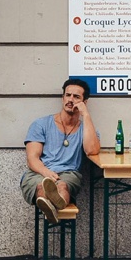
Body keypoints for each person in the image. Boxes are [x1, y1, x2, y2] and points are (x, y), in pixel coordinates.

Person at [20, 78, 101, 223]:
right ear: (62, 98)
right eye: (68, 95)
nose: (71, 100)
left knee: (63, 185)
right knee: (42, 187)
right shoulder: (41, 124)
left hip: (68, 173)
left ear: (84, 102)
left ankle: (53, 205)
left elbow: (91, 150)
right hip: (39, 172)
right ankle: (51, 204)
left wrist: (86, 115)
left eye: (76, 97)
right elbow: (32, 158)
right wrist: (47, 173)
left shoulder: (87, 129)